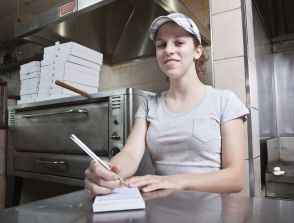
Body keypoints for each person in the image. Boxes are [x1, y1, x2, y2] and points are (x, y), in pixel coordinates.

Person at [84, 13, 249, 197]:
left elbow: (235, 178)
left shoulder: (225, 101)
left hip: (210, 212)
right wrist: (109, 171)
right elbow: (130, 154)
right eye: (161, 45)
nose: (168, 50)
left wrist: (174, 181)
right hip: (160, 209)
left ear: (197, 51)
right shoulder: (149, 106)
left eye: (178, 42)